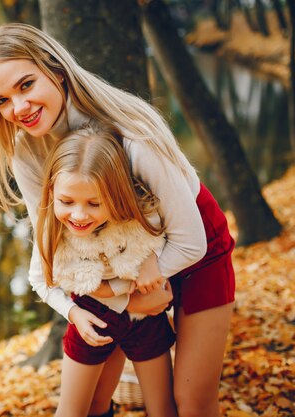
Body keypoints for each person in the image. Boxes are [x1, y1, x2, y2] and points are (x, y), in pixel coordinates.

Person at [0, 23, 235, 417]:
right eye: (2, 101)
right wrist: (116, 292)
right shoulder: (26, 151)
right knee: (90, 402)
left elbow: (190, 241)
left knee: (191, 402)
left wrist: (137, 283)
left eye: (25, 85)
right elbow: (52, 242)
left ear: (56, 70)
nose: (18, 108)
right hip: (110, 263)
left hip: (193, 249)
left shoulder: (132, 135)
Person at [37, 127, 177, 417]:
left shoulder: (140, 217)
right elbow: (39, 279)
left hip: (145, 318)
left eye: (94, 203)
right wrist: (73, 313)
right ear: (52, 192)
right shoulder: (52, 230)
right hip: (91, 318)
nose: (78, 215)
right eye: (67, 202)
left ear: (116, 194)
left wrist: (153, 258)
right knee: (76, 410)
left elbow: (160, 236)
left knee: (162, 408)